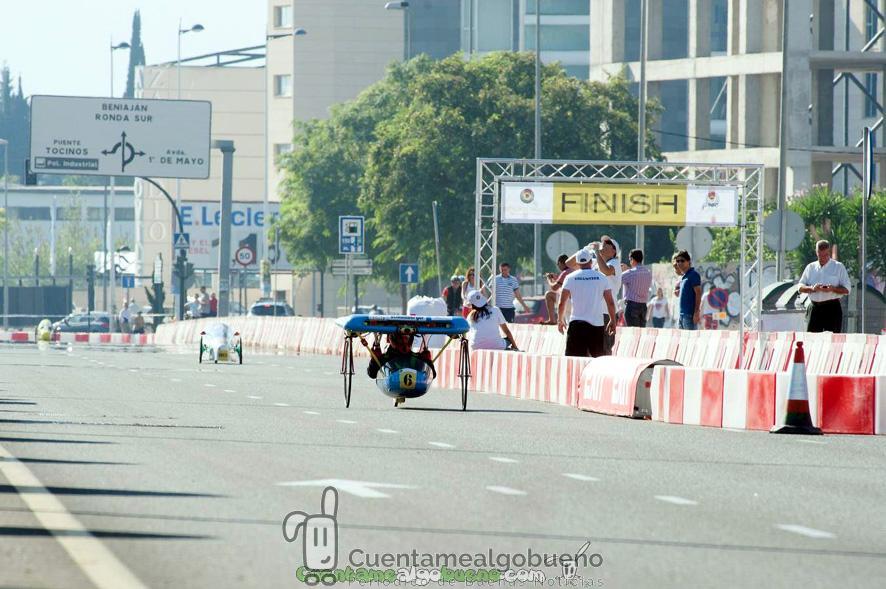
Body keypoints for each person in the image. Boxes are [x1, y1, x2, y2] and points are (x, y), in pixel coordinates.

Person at [558, 248, 617, 358]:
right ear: (591, 261)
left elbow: (562, 303)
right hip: (596, 325)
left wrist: (560, 320)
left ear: (577, 262)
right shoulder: (602, 278)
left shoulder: (569, 278)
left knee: (574, 361)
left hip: (576, 324)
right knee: (596, 362)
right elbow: (610, 303)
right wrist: (613, 320)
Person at [367, 331, 435, 407]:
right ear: (392, 339)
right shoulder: (384, 359)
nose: (404, 343)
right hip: (392, 385)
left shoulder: (418, 358)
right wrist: (374, 359)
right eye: (401, 340)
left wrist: (427, 360)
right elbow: (372, 374)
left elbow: (432, 375)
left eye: (407, 339)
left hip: (416, 387)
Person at [797, 239, 851, 333]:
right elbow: (800, 287)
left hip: (832, 308)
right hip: (814, 308)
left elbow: (847, 289)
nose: (823, 258)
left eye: (825, 255)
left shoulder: (838, 267)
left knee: (831, 339)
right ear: (816, 252)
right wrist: (812, 288)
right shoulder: (811, 267)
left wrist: (833, 289)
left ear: (829, 252)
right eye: (820, 255)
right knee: (811, 339)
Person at [620, 249, 653, 327]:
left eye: (630, 260)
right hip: (643, 306)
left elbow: (618, 280)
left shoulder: (629, 273)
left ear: (632, 259)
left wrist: (622, 271)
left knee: (633, 333)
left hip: (632, 305)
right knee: (641, 333)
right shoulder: (648, 273)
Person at [672, 250, 701, 330]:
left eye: (682, 260)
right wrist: (679, 292)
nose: (679, 263)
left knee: (691, 340)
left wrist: (696, 312)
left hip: (689, 316)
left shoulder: (693, 274)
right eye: (678, 261)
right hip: (681, 315)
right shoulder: (684, 277)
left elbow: (698, 293)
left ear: (688, 261)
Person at [543, 254, 572, 325]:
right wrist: (557, 278)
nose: (558, 266)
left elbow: (554, 287)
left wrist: (549, 280)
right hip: (576, 302)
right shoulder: (573, 270)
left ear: (561, 263)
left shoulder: (565, 272)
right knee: (569, 323)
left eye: (558, 264)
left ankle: (552, 320)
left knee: (548, 295)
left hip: (568, 301)